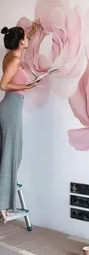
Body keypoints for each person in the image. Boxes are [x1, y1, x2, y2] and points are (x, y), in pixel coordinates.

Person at [0, 22, 39, 224]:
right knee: (12, 154)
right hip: (11, 107)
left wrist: (32, 31)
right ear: (20, 42)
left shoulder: (12, 55)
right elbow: (3, 84)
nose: (28, 41)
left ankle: (3, 205)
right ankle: (4, 208)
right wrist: (28, 86)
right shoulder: (15, 59)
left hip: (10, 106)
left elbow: (23, 40)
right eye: (25, 38)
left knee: (10, 154)